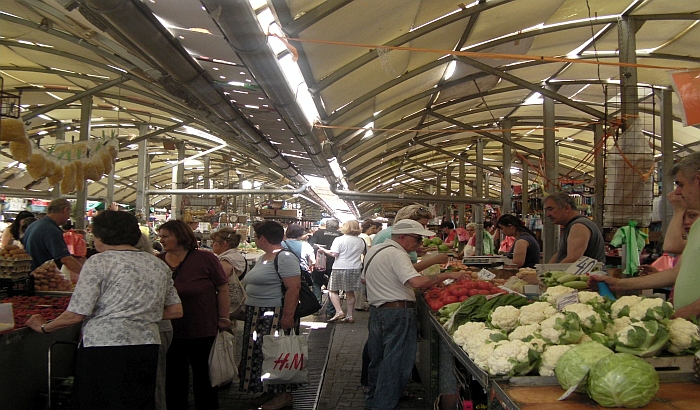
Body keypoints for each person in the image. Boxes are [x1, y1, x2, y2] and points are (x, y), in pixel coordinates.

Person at [26, 211, 182, 410]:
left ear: (102, 236)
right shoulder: (157, 264)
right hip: (147, 345)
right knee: (136, 402)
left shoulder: (98, 262)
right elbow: (176, 310)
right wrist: (138, 314)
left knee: (99, 402)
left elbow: (76, 313)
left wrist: (45, 327)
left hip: (103, 347)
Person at [363, 219, 469, 410]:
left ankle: (374, 402)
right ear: (402, 237)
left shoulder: (375, 251)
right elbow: (417, 283)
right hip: (397, 313)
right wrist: (447, 275)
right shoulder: (398, 254)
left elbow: (364, 281)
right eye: (417, 239)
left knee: (378, 362)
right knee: (396, 365)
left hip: (378, 312)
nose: (420, 244)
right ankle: (384, 405)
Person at [590, 152, 700, 319]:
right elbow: (676, 272)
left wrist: (679, 316)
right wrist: (619, 284)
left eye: (680, 184)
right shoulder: (698, 225)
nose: (677, 193)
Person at [158, 220, 230, 410]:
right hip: (169, 330)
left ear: (180, 237)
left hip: (202, 327)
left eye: (166, 236)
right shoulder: (158, 261)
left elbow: (222, 288)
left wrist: (224, 317)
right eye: (161, 236)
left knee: (204, 376)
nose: (161, 240)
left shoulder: (205, 259)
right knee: (174, 378)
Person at [239, 220, 302, 410]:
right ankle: (268, 390)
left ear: (263, 238)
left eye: (256, 236)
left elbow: (294, 288)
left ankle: (283, 394)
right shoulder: (265, 257)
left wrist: (287, 316)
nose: (255, 239)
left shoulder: (284, 257)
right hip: (256, 313)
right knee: (261, 354)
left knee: (275, 354)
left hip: (272, 314)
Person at [21, 198, 84, 282]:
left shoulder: (34, 225)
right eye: (69, 213)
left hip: (30, 276)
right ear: (65, 210)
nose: (69, 217)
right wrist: (86, 274)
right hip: (43, 280)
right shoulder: (51, 230)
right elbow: (65, 259)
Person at [373, 204, 448, 271]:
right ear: (407, 221)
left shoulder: (390, 233)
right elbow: (405, 271)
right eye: (421, 224)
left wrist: (415, 251)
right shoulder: (392, 235)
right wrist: (433, 261)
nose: (423, 228)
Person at [319, 220, 366, 323]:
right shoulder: (361, 241)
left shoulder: (339, 239)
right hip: (355, 267)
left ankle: (339, 311)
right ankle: (350, 316)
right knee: (350, 292)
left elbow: (334, 254)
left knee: (332, 290)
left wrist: (324, 251)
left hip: (340, 267)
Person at [544, 192, 605, 263]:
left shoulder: (578, 226)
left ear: (567, 208)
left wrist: (552, 272)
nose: (548, 214)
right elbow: (561, 253)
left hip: (587, 274)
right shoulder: (571, 225)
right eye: (546, 210)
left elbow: (573, 259)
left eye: (550, 209)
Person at [211, 228, 248, 319]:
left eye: (214, 241)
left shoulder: (227, 260)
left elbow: (218, 281)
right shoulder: (235, 256)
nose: (212, 244)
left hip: (228, 305)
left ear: (224, 244)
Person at [308, 219, 342, 317]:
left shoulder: (318, 233)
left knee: (316, 283)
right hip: (335, 264)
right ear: (337, 226)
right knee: (334, 287)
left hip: (319, 263)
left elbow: (311, 246)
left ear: (326, 226)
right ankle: (330, 311)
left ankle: (316, 307)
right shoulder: (340, 235)